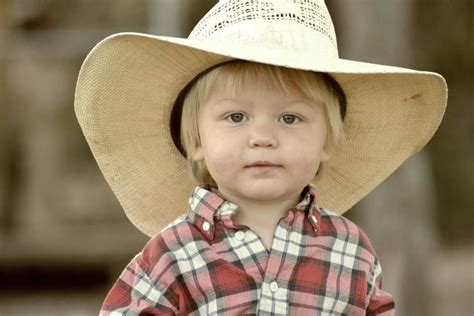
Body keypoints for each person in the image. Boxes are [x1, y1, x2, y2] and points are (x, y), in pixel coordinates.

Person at [74, 0, 447, 314]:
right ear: (197, 141)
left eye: (290, 118)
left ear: (326, 144)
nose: (263, 138)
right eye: (236, 117)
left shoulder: (351, 250)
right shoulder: (172, 255)